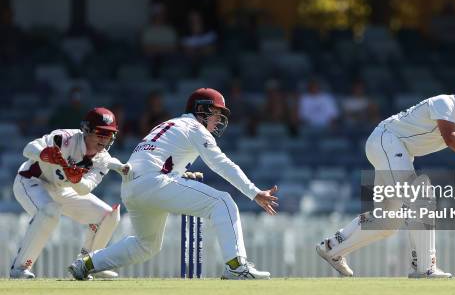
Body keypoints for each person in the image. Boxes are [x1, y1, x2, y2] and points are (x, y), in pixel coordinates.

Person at [316, 74, 455, 278]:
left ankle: (332, 248)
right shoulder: (445, 103)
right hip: (386, 140)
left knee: (387, 221)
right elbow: (451, 139)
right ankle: (424, 267)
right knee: (421, 198)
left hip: (392, 149)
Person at [68, 88, 279, 280]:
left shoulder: (171, 124)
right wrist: (253, 192)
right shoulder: (194, 127)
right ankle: (236, 266)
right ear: (201, 110)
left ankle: (87, 263)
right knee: (223, 202)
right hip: (154, 182)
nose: (219, 119)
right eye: (215, 112)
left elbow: (159, 157)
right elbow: (220, 163)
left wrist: (180, 173)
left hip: (132, 187)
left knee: (146, 245)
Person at [10, 108, 128, 279]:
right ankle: (19, 270)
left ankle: (87, 265)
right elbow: (28, 149)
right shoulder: (64, 138)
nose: (104, 140)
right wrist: (44, 154)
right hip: (31, 180)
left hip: (63, 188)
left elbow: (84, 188)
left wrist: (76, 179)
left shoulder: (103, 159)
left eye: (109, 134)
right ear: (87, 130)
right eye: (100, 133)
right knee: (50, 212)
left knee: (109, 215)